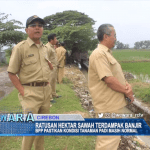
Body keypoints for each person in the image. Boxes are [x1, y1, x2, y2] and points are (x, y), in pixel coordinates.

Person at [7, 15, 52, 150]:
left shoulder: (45, 48)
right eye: (33, 25)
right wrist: (23, 91)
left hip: (45, 92)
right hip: (30, 93)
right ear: (27, 30)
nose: (37, 28)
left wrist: (48, 85)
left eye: (40, 25)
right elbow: (11, 72)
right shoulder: (20, 48)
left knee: (42, 130)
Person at [88, 24, 134, 150]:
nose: (116, 39)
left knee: (108, 141)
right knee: (108, 143)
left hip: (113, 104)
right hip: (108, 106)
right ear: (106, 36)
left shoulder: (106, 53)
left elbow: (116, 76)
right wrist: (127, 92)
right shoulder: (99, 54)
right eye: (114, 36)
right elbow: (109, 79)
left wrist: (127, 86)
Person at [46, 34, 61, 103]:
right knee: (50, 82)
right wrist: (50, 65)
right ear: (51, 40)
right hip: (50, 68)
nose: (56, 40)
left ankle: (54, 94)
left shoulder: (52, 47)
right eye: (55, 39)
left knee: (53, 81)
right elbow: (46, 58)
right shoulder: (47, 47)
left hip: (54, 67)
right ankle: (49, 98)